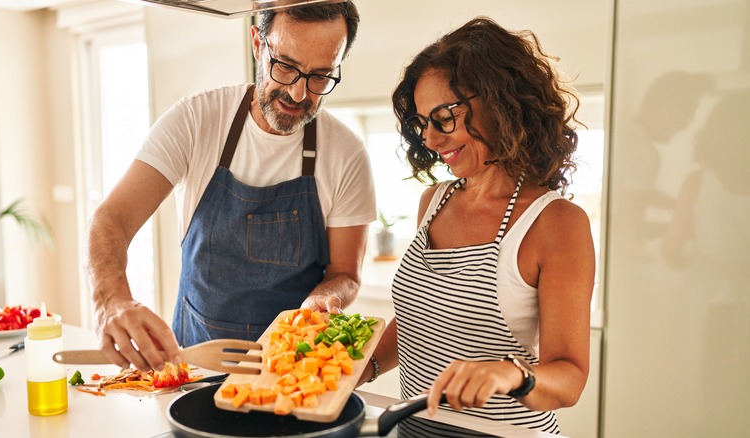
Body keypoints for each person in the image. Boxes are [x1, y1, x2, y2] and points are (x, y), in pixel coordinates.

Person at [85, 1, 376, 374]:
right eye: (285, 66)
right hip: (192, 363)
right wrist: (111, 300)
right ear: (258, 43)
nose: (300, 94)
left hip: (290, 373)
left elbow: (345, 273)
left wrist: (323, 300)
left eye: (320, 76)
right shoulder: (195, 120)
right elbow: (111, 219)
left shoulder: (346, 154)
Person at [360, 17, 595, 434]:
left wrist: (511, 374)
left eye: (444, 117)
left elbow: (570, 378)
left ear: (499, 101)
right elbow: (422, 320)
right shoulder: (434, 201)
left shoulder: (555, 222)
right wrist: (363, 364)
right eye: (422, 123)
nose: (430, 140)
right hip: (416, 428)